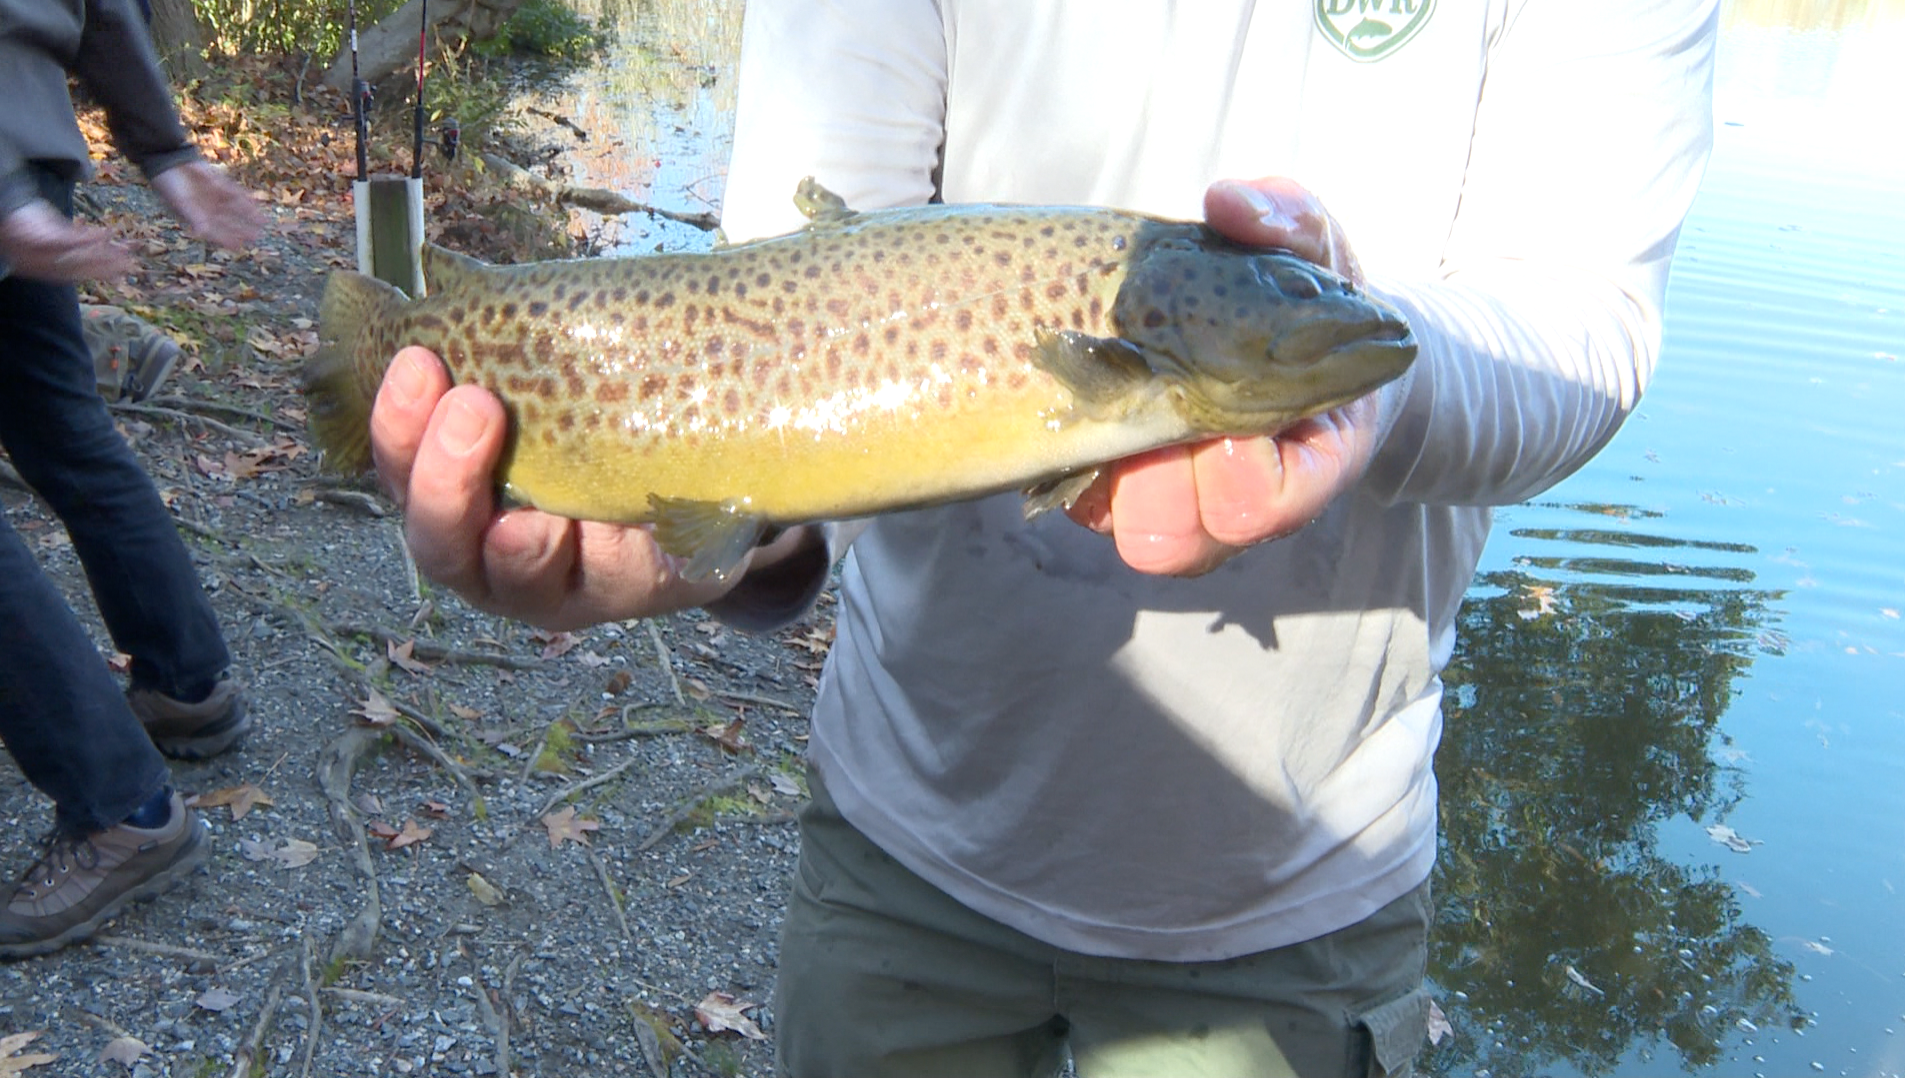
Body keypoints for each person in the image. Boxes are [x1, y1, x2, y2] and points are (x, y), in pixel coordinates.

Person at [369, 1, 1718, 1073]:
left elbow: (1581, 326)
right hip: (906, 830)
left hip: (1299, 878)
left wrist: (1387, 377)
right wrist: (734, 541)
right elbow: (785, 301)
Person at [0, 0, 265, 957]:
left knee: (67, 436)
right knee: (68, 436)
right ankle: (188, 688)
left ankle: (121, 808)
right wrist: (164, 149)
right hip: (30, 156)